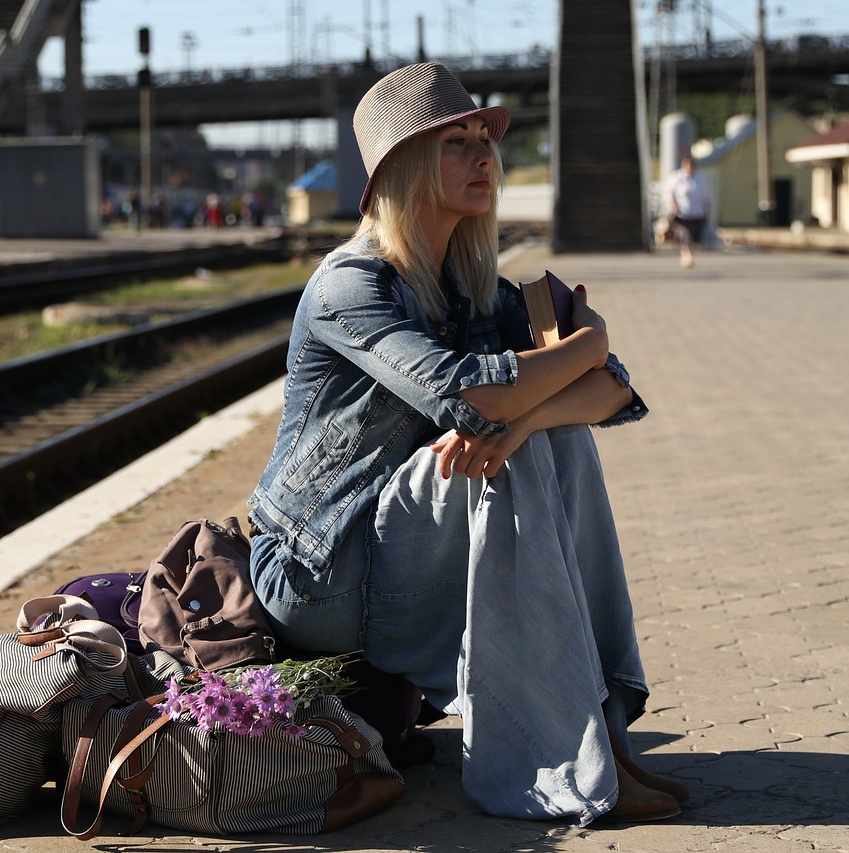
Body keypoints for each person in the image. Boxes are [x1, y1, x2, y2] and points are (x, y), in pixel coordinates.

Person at [246, 62, 689, 826]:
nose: (484, 155)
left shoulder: (476, 285)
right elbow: (466, 393)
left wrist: (530, 413)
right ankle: (560, 758)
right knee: (509, 446)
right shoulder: (348, 286)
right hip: (319, 570)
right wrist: (573, 357)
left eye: (485, 139)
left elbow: (610, 389)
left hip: (406, 551)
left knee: (545, 440)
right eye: (456, 142)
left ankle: (596, 738)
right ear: (403, 167)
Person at [663, 155, 711, 269]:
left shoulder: (700, 178)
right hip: (681, 214)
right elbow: (668, 192)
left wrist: (707, 209)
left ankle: (687, 254)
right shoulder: (676, 177)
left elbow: (706, 196)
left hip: (696, 213)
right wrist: (672, 204)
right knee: (684, 236)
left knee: (693, 238)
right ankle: (686, 256)